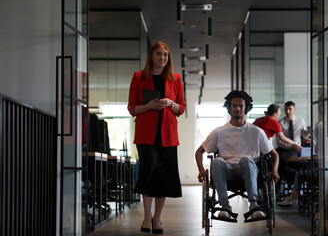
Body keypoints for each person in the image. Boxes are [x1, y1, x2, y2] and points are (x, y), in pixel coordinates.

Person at [127, 42, 186, 233]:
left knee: (164, 177)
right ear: (151, 56)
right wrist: (149, 106)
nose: (162, 58)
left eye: (166, 55)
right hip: (146, 135)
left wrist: (170, 103)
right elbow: (132, 107)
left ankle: (157, 219)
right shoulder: (138, 77)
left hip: (168, 135)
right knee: (148, 173)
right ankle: (146, 217)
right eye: (159, 54)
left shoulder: (176, 78)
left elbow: (182, 108)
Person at [195, 90, 280, 220]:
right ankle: (225, 206)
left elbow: (274, 154)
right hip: (227, 171)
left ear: (246, 107)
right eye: (234, 105)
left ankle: (254, 205)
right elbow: (199, 151)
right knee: (217, 161)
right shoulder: (219, 132)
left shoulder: (256, 132)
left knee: (246, 160)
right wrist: (201, 169)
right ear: (229, 107)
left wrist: (274, 171)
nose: (238, 109)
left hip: (249, 170)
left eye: (241, 105)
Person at [276, 101, 311, 207]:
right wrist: (291, 146)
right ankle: (278, 187)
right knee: (279, 160)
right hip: (285, 149)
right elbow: (279, 141)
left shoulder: (300, 120)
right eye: (286, 109)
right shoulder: (281, 122)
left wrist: (308, 132)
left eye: (290, 109)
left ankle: (295, 189)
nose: (287, 111)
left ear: (294, 109)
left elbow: (304, 135)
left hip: (297, 149)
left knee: (303, 162)